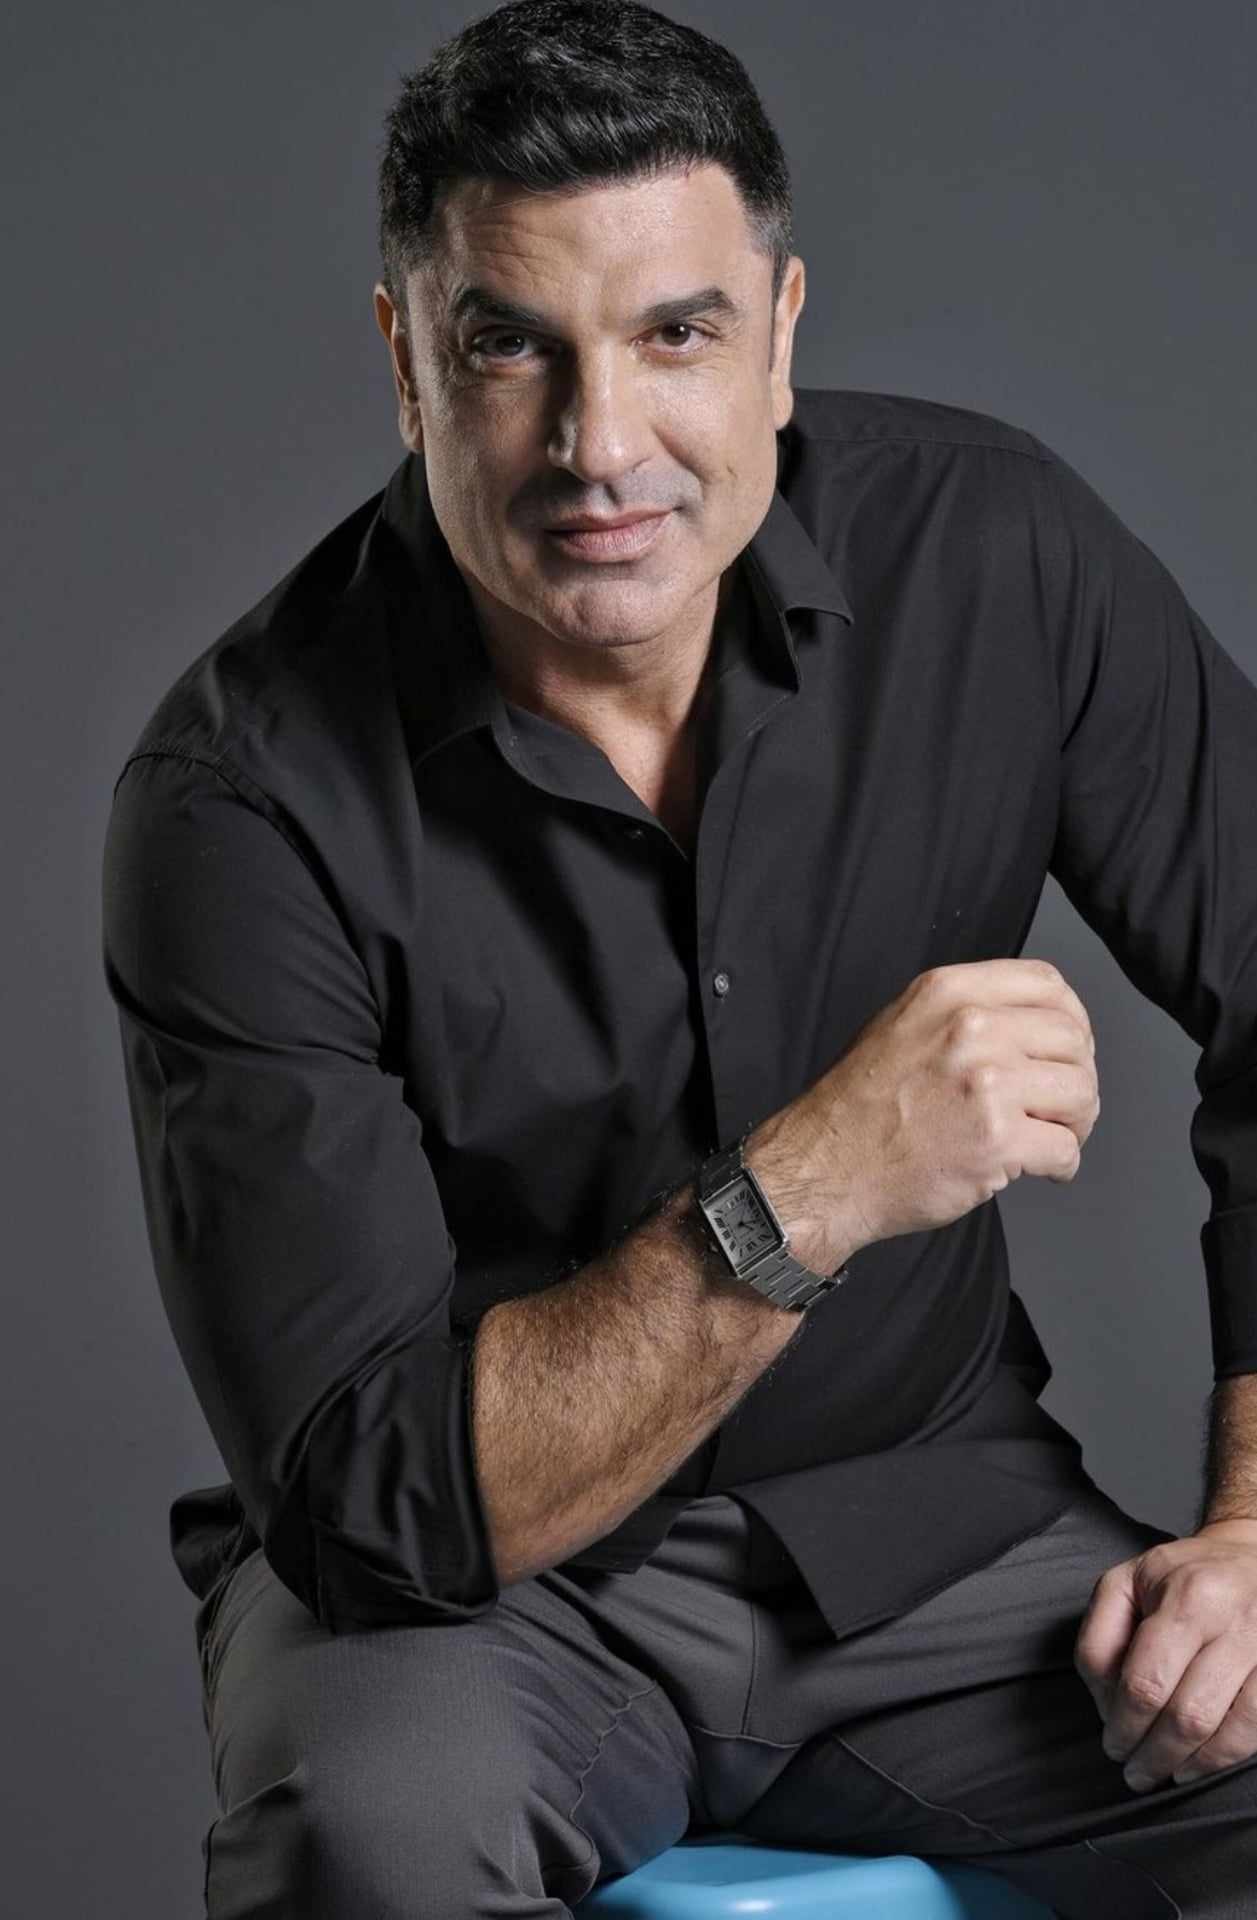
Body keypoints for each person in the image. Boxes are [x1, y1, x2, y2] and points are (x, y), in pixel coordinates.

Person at [100, 1, 1257, 1912]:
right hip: (476, 1615)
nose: (600, 445)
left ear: (779, 335)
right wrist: (807, 1192)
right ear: (405, 362)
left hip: (935, 1547)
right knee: (369, 1851)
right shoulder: (240, 799)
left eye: (675, 336)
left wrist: (1254, 1523)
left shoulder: (993, 551)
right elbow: (384, 1505)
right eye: (511, 347)